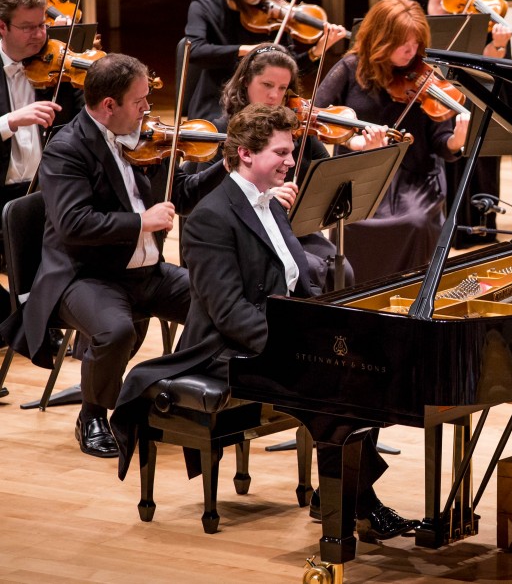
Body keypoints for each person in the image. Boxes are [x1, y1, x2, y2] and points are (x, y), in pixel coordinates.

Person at [110, 102, 418, 540]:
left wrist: (327, 328)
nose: (292, 161)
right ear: (245, 155)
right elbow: (228, 312)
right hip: (226, 349)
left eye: (290, 152)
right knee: (335, 387)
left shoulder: (270, 206)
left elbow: (297, 282)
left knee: (365, 370)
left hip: (277, 334)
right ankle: (350, 508)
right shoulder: (209, 220)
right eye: (281, 153)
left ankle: (343, 498)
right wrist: (297, 348)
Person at [0, 53, 226, 458]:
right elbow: (73, 224)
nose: (147, 111)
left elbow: (181, 195)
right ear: (109, 106)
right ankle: (92, 415)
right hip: (84, 275)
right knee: (116, 331)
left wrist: (225, 166)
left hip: (145, 272)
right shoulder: (67, 149)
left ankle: (175, 392)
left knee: (219, 302)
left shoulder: (142, 141)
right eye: (140, 102)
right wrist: (141, 222)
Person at [314, 0, 467, 285]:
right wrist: (353, 141)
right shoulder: (350, 69)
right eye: (403, 44)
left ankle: (412, 297)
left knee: (416, 223)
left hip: (415, 178)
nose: (412, 52)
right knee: (354, 225)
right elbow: (317, 116)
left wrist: (457, 140)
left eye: (416, 44)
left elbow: (442, 143)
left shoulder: (427, 77)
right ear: (380, 39)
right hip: (362, 177)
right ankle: (355, 296)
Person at [210, 42, 387, 289]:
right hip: (245, 234)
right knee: (313, 273)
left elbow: (329, 176)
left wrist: (364, 152)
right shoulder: (221, 131)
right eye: (267, 85)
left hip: (292, 227)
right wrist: (266, 197)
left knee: (340, 270)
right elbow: (207, 198)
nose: (274, 96)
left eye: (282, 88)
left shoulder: (297, 129)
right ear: (245, 83)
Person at [399, 0, 512, 248]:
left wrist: (498, 44)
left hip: (472, 88)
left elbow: (495, 63)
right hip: (424, 88)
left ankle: (474, 227)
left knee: (476, 115)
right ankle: (428, 218)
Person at [185, 0, 347, 123]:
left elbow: (290, 68)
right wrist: (247, 51)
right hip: (217, 103)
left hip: (265, 104)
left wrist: (317, 50)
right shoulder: (204, 6)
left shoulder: (271, 13)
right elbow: (195, 50)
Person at [0, 0, 81, 321]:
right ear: (2, 26)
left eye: (42, 25)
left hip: (45, 190)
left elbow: (81, 125)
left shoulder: (56, 65)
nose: (39, 35)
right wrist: (9, 120)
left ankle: (53, 317)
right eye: (28, 27)